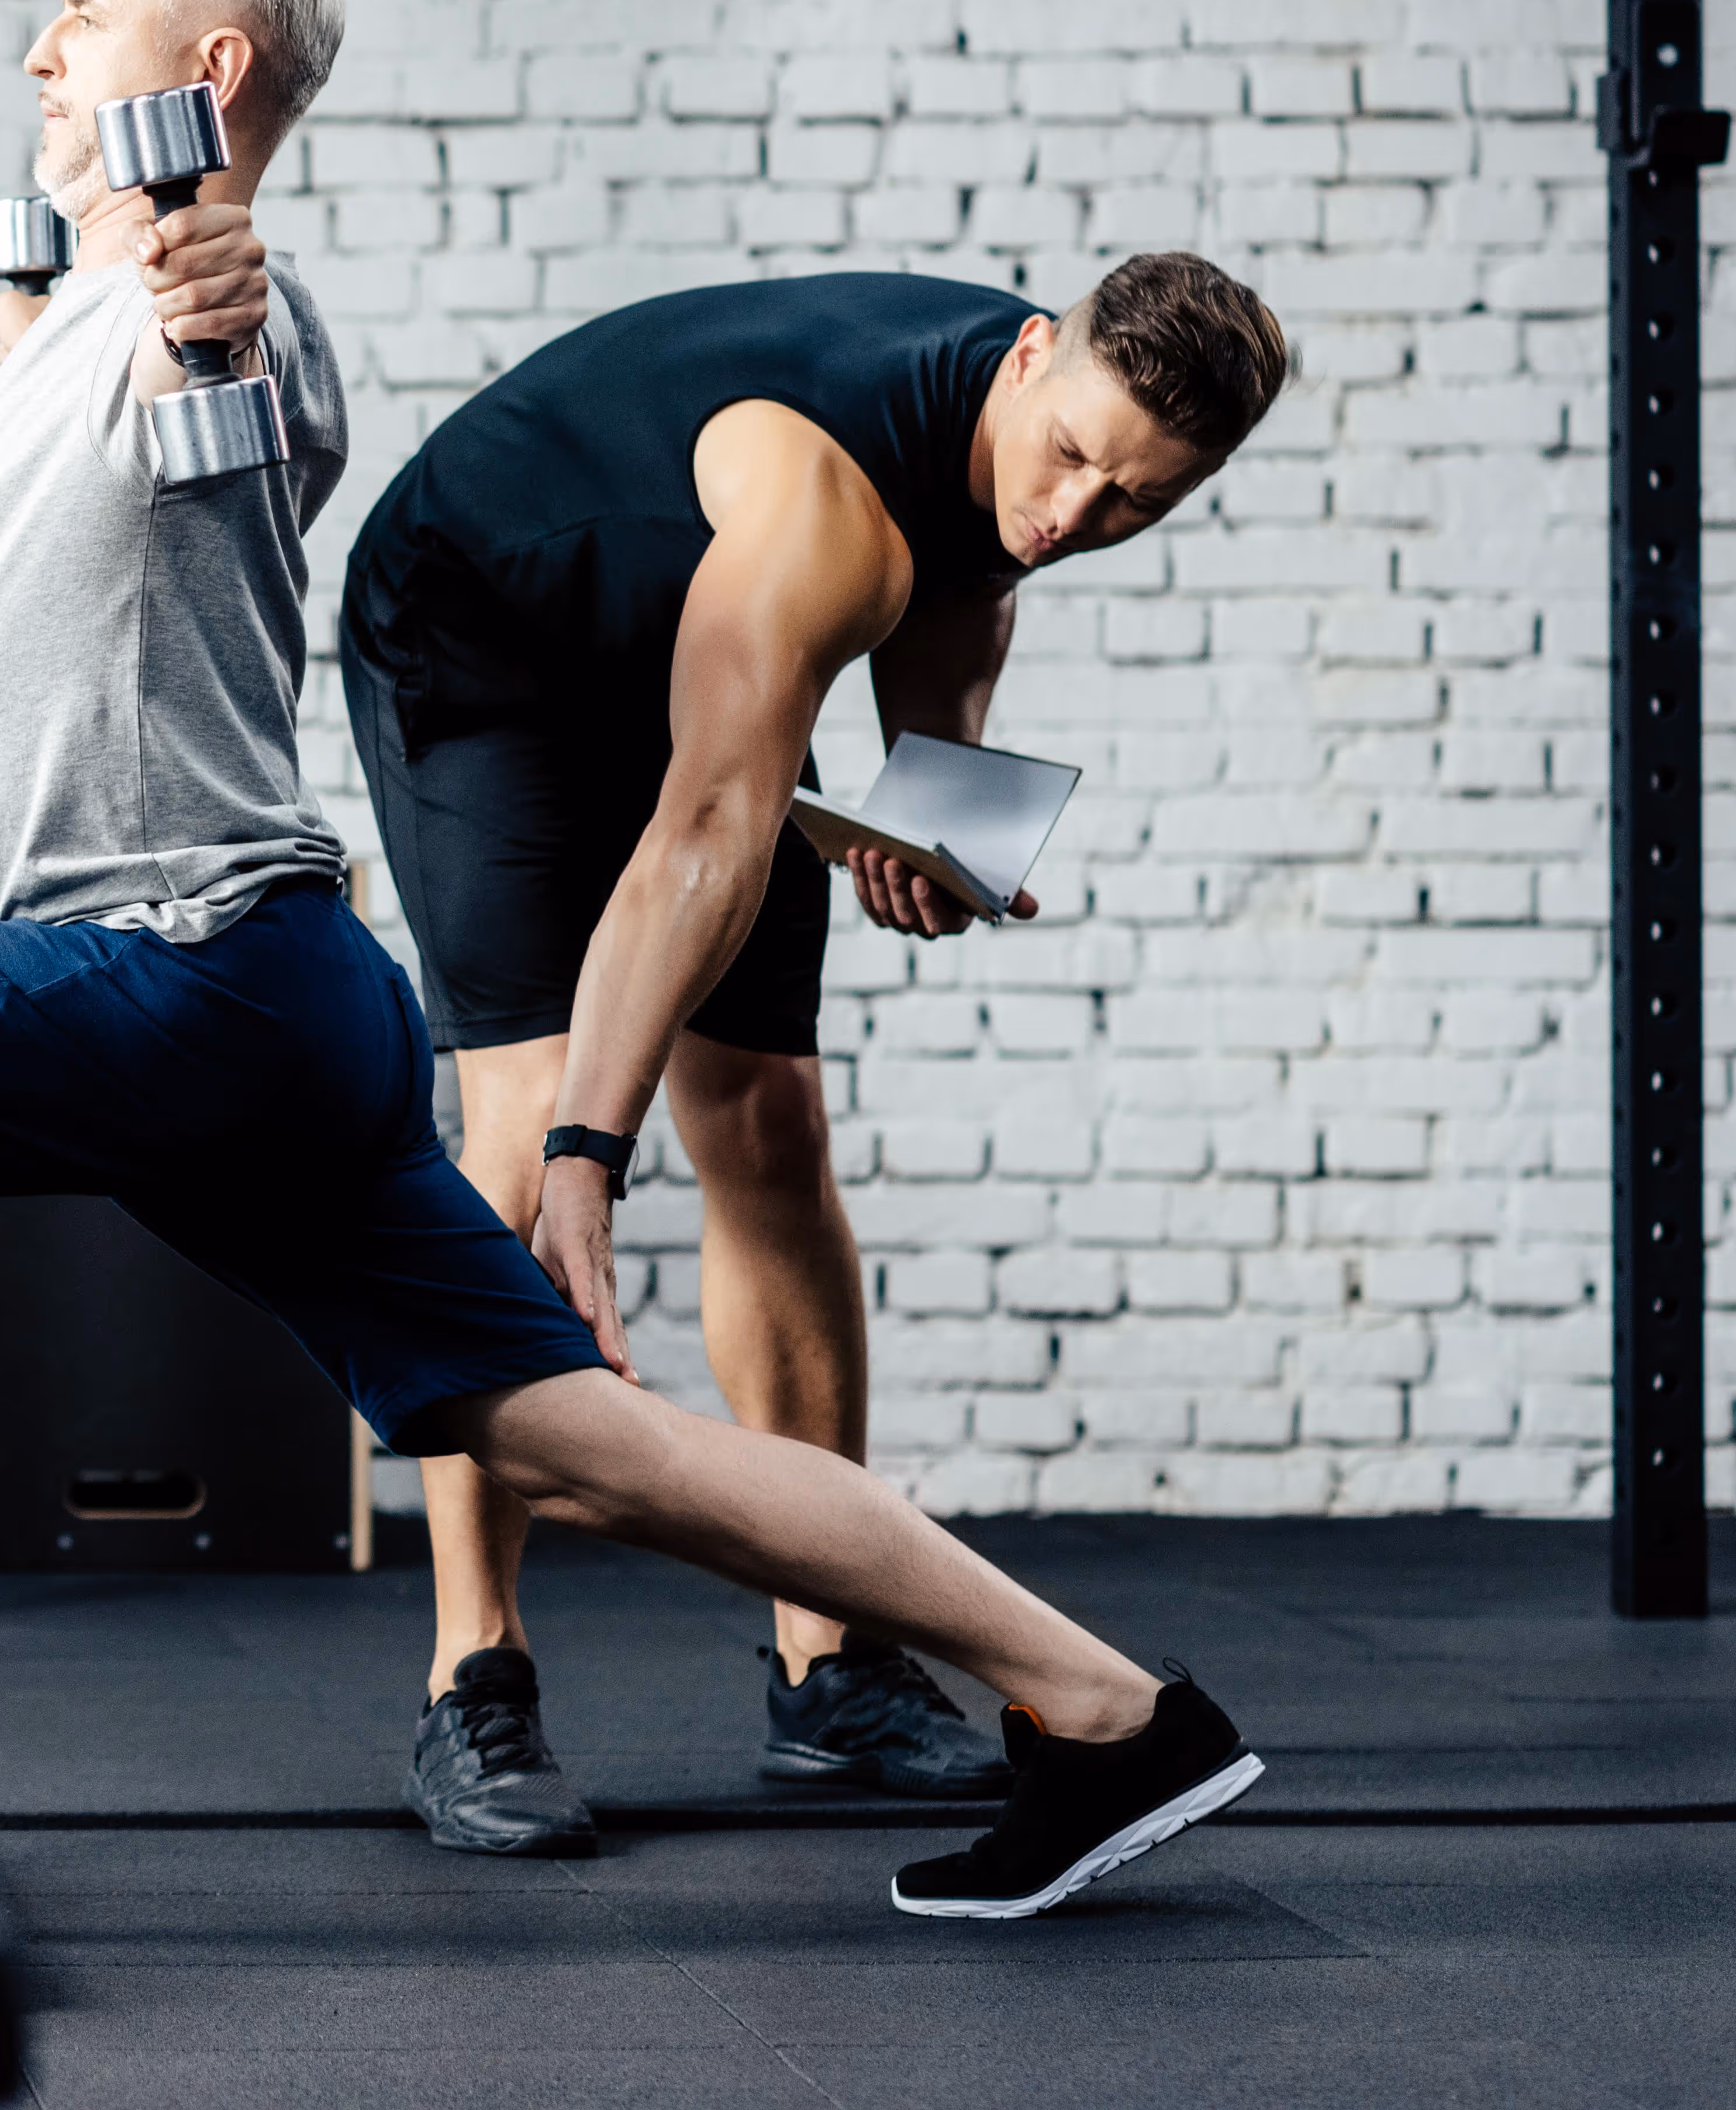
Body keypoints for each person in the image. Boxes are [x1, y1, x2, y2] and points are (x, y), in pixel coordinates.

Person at [0, 0, 1265, 1918]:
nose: (43, 39)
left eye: (85, 11)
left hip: (190, 972)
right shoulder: (82, 316)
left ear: (203, 82)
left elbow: (242, 377)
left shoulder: (227, 316)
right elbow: (113, 368)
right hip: (310, 945)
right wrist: (55, 291)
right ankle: (1105, 1707)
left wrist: (621, 1112)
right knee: (582, 1435)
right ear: (1028, 366)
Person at [339, 253, 1296, 1854]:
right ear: (1033, 356)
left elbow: (937, 675)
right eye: (1070, 460)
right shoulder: (825, 505)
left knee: (773, 1128)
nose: (1074, 518)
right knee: (517, 1135)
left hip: (712, 662)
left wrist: (936, 840)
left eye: (1137, 504)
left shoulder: (1024, 475)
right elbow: (711, 821)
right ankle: (475, 1676)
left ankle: (831, 1664)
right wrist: (589, 1153)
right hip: (484, 642)